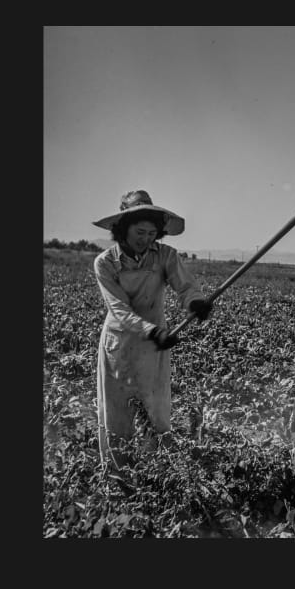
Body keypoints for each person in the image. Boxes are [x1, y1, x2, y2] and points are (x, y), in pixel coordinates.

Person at [91, 190, 213, 471]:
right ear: (123, 229)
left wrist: (195, 302)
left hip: (154, 346)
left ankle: (156, 474)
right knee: (117, 413)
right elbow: (119, 310)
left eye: (151, 233)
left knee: (155, 410)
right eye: (140, 231)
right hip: (119, 345)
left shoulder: (166, 256)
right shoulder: (105, 263)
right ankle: (117, 477)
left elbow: (185, 286)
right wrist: (152, 330)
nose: (145, 239)